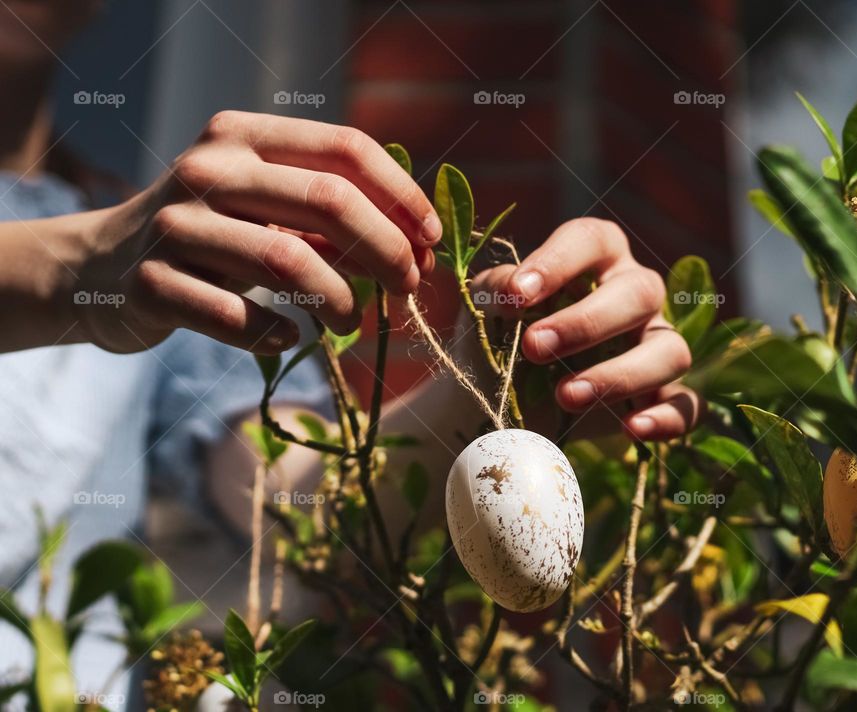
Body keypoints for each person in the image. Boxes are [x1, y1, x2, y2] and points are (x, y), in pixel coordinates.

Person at [0, 0, 698, 705]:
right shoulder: (130, 250)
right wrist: (70, 268)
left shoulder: (157, 260)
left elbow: (297, 502)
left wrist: (496, 393)